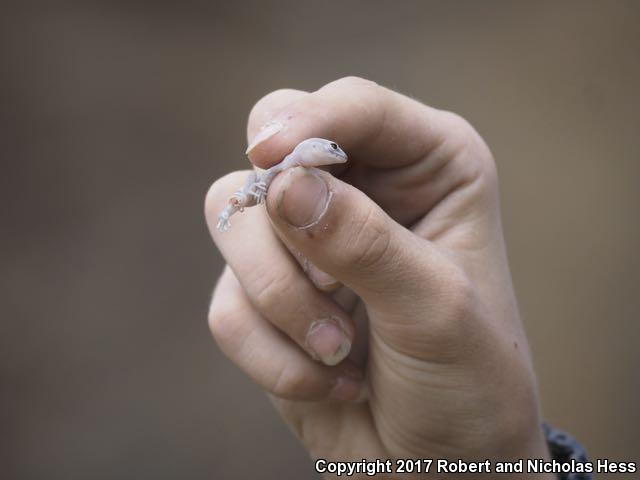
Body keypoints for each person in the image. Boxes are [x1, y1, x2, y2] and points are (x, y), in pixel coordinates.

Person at [204, 77, 589, 479]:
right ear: (311, 150)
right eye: (330, 149)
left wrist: (503, 461)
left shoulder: (310, 175)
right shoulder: (296, 169)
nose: (335, 154)